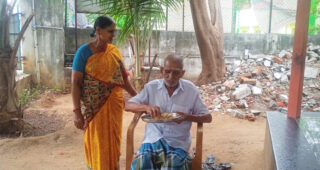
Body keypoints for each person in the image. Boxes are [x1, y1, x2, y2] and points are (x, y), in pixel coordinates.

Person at [71, 16, 137, 170]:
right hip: (94, 109)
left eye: (114, 31)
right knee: (97, 142)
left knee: (113, 142)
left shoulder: (114, 52)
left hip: (114, 106)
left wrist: (140, 98)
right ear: (98, 31)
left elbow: (125, 81)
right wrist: (76, 112)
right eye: (110, 31)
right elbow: (75, 83)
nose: (113, 35)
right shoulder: (83, 53)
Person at [125, 55, 212, 170]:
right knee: (141, 165)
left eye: (176, 73)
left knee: (171, 167)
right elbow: (127, 105)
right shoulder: (152, 88)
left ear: (182, 73)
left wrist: (188, 117)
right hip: (152, 140)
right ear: (161, 70)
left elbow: (207, 117)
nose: (171, 77)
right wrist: (145, 107)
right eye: (167, 71)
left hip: (177, 143)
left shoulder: (191, 90)